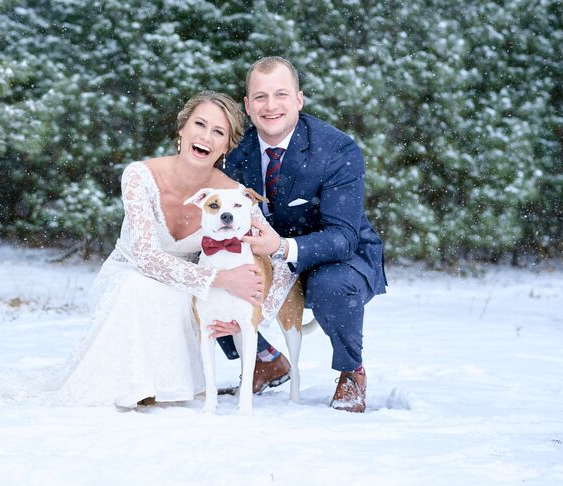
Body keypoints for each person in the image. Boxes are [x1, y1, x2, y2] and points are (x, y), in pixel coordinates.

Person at [56, 91, 293, 408]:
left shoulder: (231, 197)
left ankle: (167, 388)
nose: (206, 137)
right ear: (182, 129)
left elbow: (279, 257)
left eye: (218, 132)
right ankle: (122, 387)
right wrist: (221, 280)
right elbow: (146, 259)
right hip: (130, 270)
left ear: (226, 147)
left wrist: (253, 315)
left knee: (181, 301)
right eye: (200, 124)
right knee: (134, 287)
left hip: (186, 285)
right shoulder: (140, 175)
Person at [214, 57, 387, 413]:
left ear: (299, 100)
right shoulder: (236, 153)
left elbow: (343, 236)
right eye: (260, 97)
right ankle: (265, 357)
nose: (271, 106)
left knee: (331, 283)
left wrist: (282, 247)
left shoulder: (337, 149)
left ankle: (351, 371)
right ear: (247, 105)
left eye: (281, 94)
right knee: (212, 272)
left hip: (339, 255)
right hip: (265, 256)